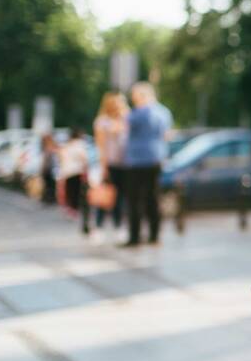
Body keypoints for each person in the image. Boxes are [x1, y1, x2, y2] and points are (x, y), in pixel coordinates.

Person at [122, 81, 172, 247]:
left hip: (136, 160)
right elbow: (166, 136)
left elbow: (124, 126)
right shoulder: (164, 112)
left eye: (135, 96)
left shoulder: (137, 113)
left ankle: (135, 237)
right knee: (153, 198)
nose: (133, 99)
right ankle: (154, 235)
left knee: (134, 199)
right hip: (156, 158)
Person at [92, 92, 129, 243]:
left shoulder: (127, 118)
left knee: (120, 197)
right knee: (105, 197)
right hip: (110, 163)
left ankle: (119, 226)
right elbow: (101, 146)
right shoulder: (102, 122)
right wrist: (103, 166)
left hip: (125, 163)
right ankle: (98, 227)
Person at [57, 128, 88, 217]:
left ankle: (70, 208)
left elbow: (61, 157)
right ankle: (75, 209)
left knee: (69, 190)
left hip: (67, 171)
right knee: (76, 191)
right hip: (76, 170)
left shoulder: (67, 145)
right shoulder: (79, 144)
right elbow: (84, 157)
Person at [39, 133, 58, 205]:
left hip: (47, 169)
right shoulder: (49, 148)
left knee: (48, 185)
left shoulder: (46, 148)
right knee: (50, 185)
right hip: (49, 169)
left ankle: (48, 198)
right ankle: (49, 199)